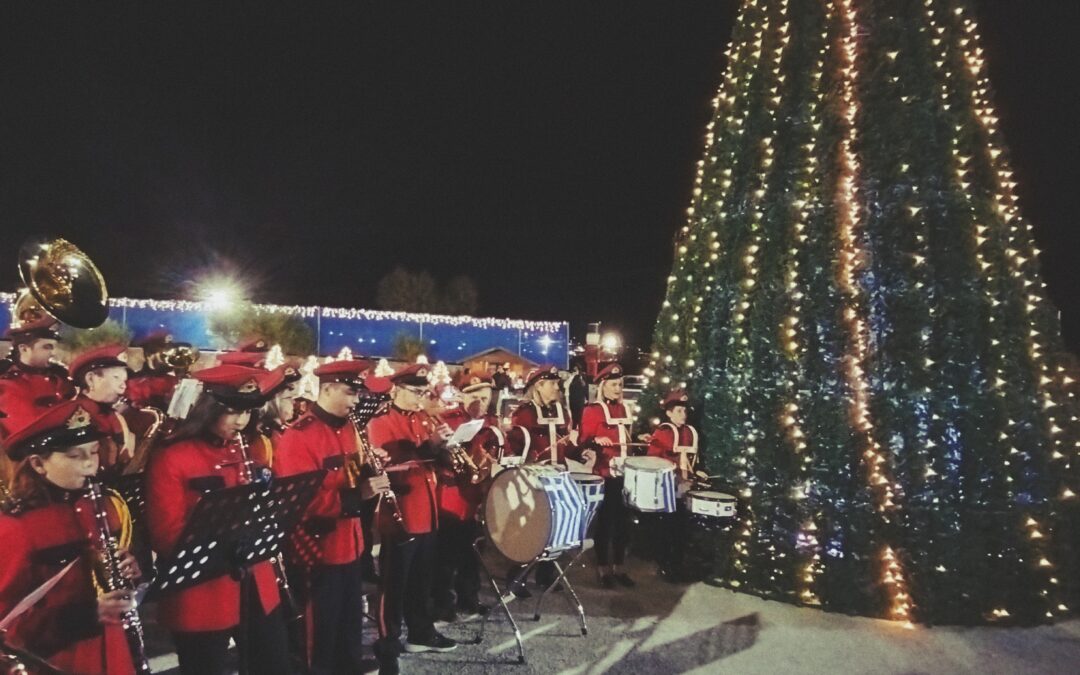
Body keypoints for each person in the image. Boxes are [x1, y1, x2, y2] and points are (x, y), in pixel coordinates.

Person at [144, 365, 289, 675]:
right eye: (233, 411)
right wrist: (227, 534)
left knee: (274, 663)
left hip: (256, 581)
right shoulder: (172, 457)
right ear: (209, 409)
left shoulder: (248, 451)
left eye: (247, 412)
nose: (241, 420)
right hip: (202, 591)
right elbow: (166, 535)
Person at [0, 400, 142, 675]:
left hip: (115, 652)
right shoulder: (17, 527)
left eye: (93, 452)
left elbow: (111, 582)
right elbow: (7, 626)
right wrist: (85, 615)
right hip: (58, 662)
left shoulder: (104, 506)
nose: (90, 465)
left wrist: (129, 572)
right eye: (74, 457)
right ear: (39, 464)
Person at [273, 359, 391, 675]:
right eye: (350, 393)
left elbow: (349, 475)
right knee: (318, 635)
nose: (355, 401)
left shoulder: (351, 427)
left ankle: (349, 665)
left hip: (350, 544)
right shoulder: (300, 435)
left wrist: (370, 466)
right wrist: (360, 494)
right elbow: (301, 501)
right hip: (318, 548)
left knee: (348, 621)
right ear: (326, 389)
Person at [367, 363, 457, 675]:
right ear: (396, 389)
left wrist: (444, 446)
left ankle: (421, 631)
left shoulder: (422, 418)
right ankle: (388, 644)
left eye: (423, 392)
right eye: (415, 392)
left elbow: (435, 462)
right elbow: (390, 459)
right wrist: (429, 447)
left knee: (422, 579)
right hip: (400, 512)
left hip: (428, 510)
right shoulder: (381, 421)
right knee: (394, 585)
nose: (420, 398)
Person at [505, 365, 594, 592]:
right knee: (529, 530)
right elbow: (514, 447)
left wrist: (579, 452)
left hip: (558, 478)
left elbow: (565, 442)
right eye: (553, 383)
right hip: (533, 480)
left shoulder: (561, 411)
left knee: (554, 527)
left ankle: (546, 575)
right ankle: (518, 576)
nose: (558, 387)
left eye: (558, 383)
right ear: (539, 386)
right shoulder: (524, 413)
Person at [431, 371, 502, 621]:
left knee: (473, 553)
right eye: (476, 397)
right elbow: (439, 458)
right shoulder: (448, 420)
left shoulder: (492, 424)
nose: (481, 403)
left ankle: (469, 599)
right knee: (447, 555)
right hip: (452, 497)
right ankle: (443, 604)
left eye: (485, 397)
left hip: (476, 496)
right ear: (463, 397)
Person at [579, 362, 635, 589]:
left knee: (624, 524)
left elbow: (628, 440)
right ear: (603, 386)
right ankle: (603, 568)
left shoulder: (625, 409)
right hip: (605, 473)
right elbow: (583, 439)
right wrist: (595, 442)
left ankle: (620, 567)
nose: (617, 388)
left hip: (626, 473)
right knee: (606, 523)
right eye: (613, 384)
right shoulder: (592, 410)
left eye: (620, 384)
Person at [68, 344, 162, 479]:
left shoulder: (116, 416)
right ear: (91, 379)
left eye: (124, 380)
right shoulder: (72, 416)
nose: (123, 385)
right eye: (116, 378)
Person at [647, 389, 700, 580]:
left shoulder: (689, 432)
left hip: (685, 487)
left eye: (684, 411)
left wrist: (696, 472)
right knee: (667, 527)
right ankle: (665, 564)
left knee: (681, 527)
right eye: (678, 411)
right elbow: (653, 459)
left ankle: (677, 564)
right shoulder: (663, 432)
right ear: (668, 413)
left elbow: (693, 459)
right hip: (668, 487)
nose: (683, 415)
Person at [0, 315, 74, 439]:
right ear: (24, 349)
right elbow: (27, 428)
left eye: (54, 347)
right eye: (47, 347)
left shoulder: (59, 377)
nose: (54, 353)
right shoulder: (8, 384)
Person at [125, 331, 188, 410]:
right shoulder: (135, 382)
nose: (167, 360)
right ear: (149, 355)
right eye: (163, 356)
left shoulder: (174, 381)